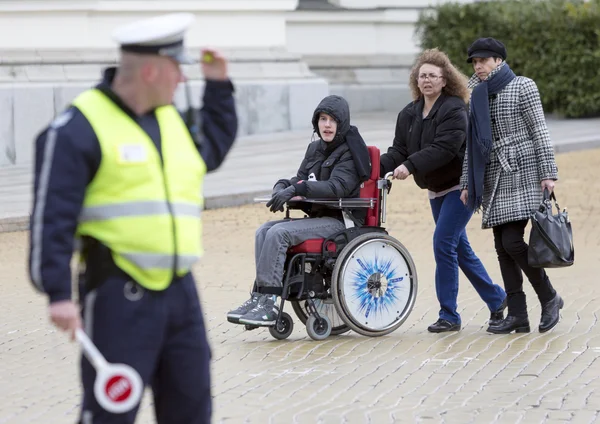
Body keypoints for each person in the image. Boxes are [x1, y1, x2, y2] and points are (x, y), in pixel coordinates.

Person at [28, 13, 237, 424]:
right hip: (117, 295)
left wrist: (217, 86)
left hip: (180, 294)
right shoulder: (78, 127)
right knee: (111, 414)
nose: (181, 81)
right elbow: (52, 216)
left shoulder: (169, 118)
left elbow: (210, 149)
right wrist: (57, 292)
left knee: (192, 408)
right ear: (150, 70)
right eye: (177, 70)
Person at [380, 49, 506, 333]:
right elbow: (398, 150)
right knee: (459, 250)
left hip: (461, 187)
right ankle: (498, 300)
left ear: (444, 79)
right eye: (422, 75)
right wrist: (371, 166)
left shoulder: (454, 108)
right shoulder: (409, 113)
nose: (427, 80)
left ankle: (449, 314)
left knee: (443, 243)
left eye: (433, 76)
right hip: (435, 189)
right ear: (416, 79)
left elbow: (444, 149)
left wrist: (410, 166)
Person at [226, 95, 371, 327]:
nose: (326, 125)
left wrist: (298, 187)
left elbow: (337, 187)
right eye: (322, 119)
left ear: (341, 123)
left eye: (332, 120)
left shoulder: (350, 152)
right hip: (317, 218)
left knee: (279, 233)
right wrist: (282, 186)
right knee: (264, 230)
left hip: (341, 221)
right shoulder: (315, 149)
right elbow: (300, 179)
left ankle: (270, 304)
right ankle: (260, 296)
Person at [460, 37, 563, 334]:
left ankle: (549, 296)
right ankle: (518, 315)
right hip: (492, 175)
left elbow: (539, 129)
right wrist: (468, 181)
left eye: (483, 60)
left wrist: (548, 171)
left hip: (522, 169)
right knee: (502, 248)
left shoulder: (522, 86)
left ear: (499, 61)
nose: (478, 66)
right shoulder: (477, 94)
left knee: (512, 242)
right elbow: (472, 144)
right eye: (475, 61)